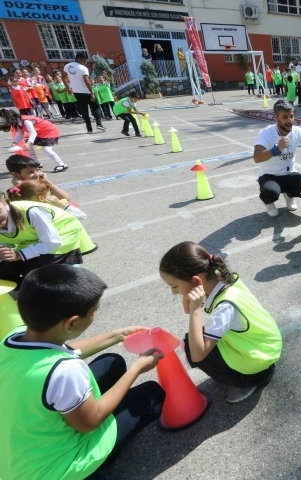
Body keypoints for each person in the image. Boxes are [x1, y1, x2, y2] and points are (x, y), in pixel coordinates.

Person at [0, 265, 165, 480]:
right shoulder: (64, 372)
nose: (96, 313)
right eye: (95, 309)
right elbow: (89, 423)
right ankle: (95, 469)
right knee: (152, 393)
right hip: (52, 471)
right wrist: (137, 369)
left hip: (15, 457)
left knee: (112, 362)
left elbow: (68, 349)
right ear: (71, 323)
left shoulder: (13, 337)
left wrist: (117, 335)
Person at [159, 242, 281, 403]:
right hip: (263, 347)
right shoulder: (219, 277)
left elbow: (197, 355)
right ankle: (254, 372)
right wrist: (188, 295)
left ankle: (249, 381)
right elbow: (187, 309)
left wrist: (196, 310)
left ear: (197, 281)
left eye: (174, 286)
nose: (174, 292)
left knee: (191, 345)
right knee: (198, 336)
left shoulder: (225, 307)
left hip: (257, 358)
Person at [253, 100, 301, 217]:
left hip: (290, 173)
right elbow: (257, 157)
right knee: (270, 192)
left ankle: (289, 195)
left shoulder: (298, 132)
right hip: (270, 175)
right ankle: (269, 202)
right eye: (285, 117)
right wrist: (276, 149)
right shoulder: (266, 133)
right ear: (276, 118)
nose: (289, 121)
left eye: (291, 116)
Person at [0, 188, 86, 283]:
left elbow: (53, 243)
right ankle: (28, 288)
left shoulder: (30, 212)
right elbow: (6, 244)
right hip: (33, 239)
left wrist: (19, 254)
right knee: (4, 273)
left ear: (4, 202)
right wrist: (4, 253)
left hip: (62, 235)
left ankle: (67, 270)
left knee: (34, 276)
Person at [0, 108, 67, 172]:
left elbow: (33, 133)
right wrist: (15, 142)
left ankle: (62, 165)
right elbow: (20, 134)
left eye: (3, 118)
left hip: (49, 132)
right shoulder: (18, 121)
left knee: (46, 149)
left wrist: (29, 143)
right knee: (29, 144)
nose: (3, 120)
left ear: (8, 116)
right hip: (40, 133)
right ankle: (36, 163)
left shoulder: (25, 120)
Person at [5, 155, 74, 212]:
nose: (36, 174)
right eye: (30, 172)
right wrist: (19, 186)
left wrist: (48, 182)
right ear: (15, 175)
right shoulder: (14, 192)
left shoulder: (43, 184)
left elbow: (66, 198)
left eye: (37, 170)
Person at [63, 52, 105, 134]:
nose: (85, 62)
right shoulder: (83, 68)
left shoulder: (67, 66)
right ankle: (99, 124)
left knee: (84, 110)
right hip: (86, 91)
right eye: (84, 60)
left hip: (76, 92)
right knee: (96, 107)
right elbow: (87, 81)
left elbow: (63, 77)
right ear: (80, 59)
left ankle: (89, 129)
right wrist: (92, 93)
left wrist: (68, 88)